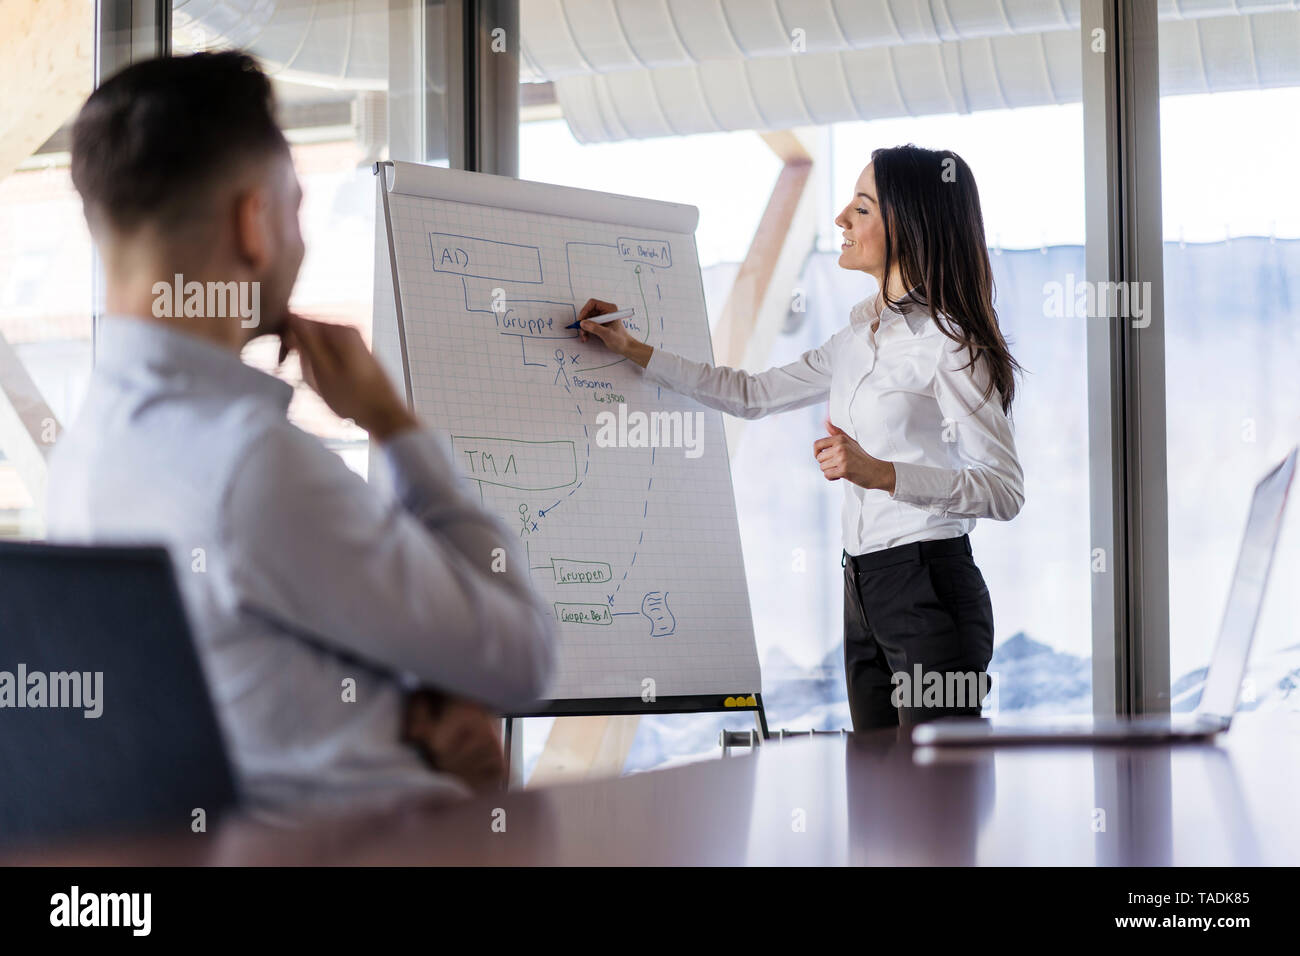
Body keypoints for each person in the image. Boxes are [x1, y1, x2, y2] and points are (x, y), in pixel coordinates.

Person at [47, 51, 555, 813]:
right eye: (294, 210)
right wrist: (393, 423)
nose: (300, 240)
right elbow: (523, 657)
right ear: (253, 223)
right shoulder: (249, 465)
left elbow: (261, 666)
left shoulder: (85, 452)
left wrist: (406, 704)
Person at [577, 144, 1024, 731]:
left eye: (861, 209)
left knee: (935, 804)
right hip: (862, 586)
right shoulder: (857, 339)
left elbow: (1004, 490)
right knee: (878, 798)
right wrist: (631, 348)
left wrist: (882, 473)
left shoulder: (949, 345)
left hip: (930, 585)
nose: (841, 218)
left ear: (909, 227)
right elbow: (750, 393)